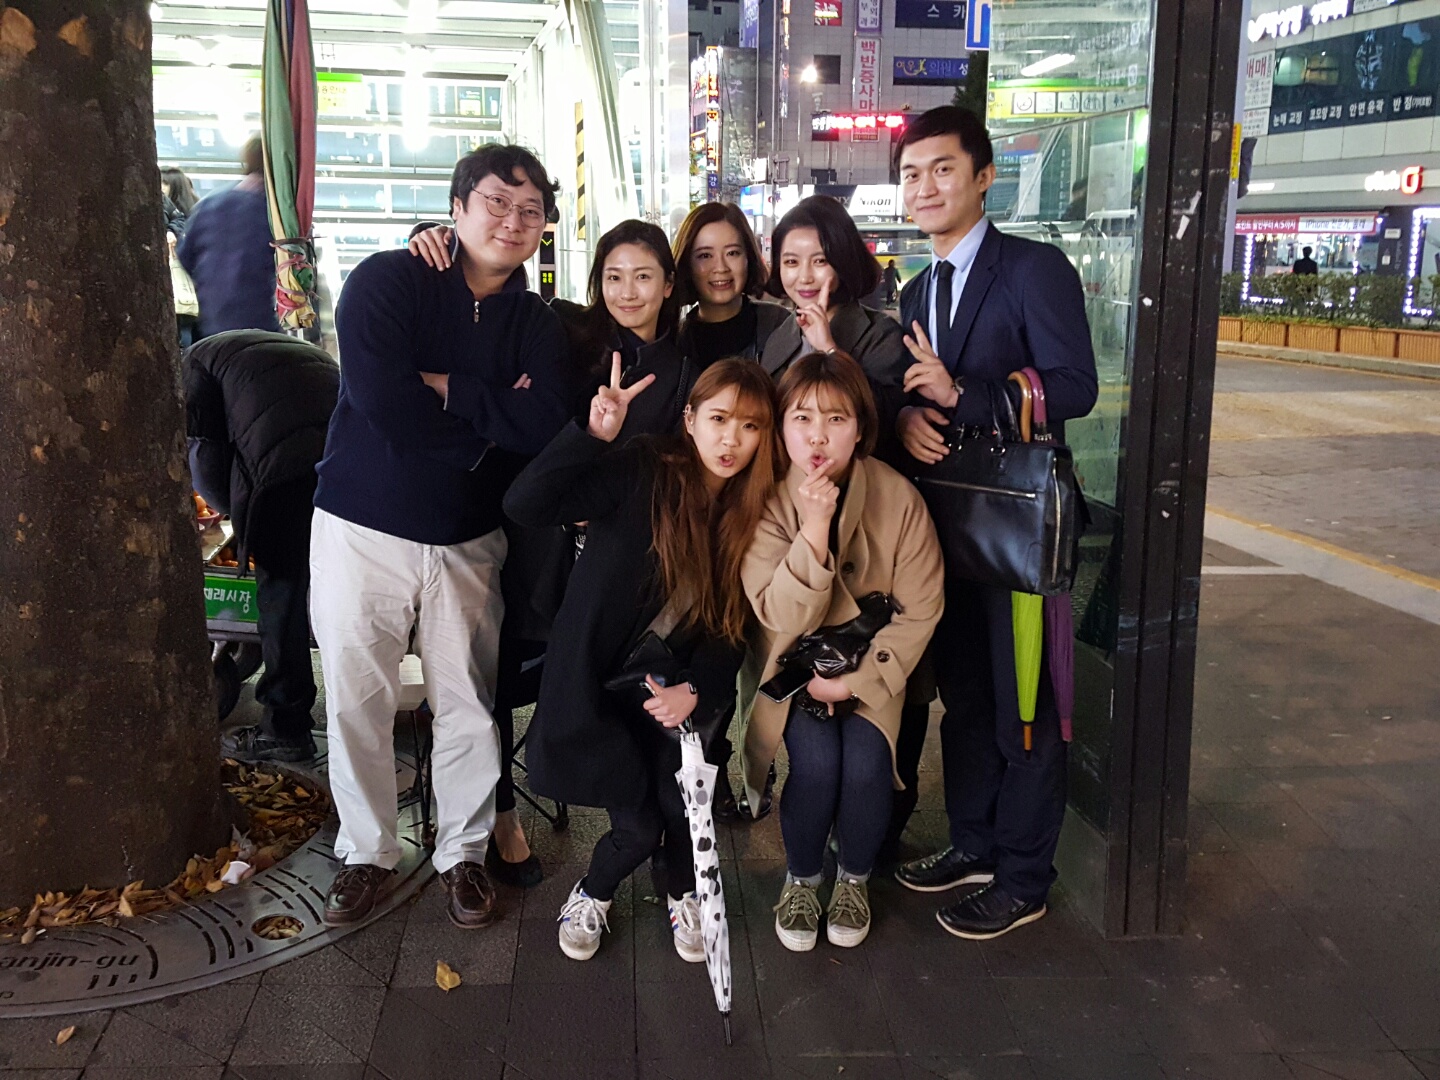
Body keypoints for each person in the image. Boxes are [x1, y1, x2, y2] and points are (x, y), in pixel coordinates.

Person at [309, 144, 571, 930]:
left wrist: (451, 388)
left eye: (530, 210)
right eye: (496, 201)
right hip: (361, 527)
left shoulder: (536, 322)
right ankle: (366, 851)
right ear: (457, 208)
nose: (512, 220)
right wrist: (488, 426)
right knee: (358, 699)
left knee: (468, 703)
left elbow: (542, 421)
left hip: (468, 538)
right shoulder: (389, 281)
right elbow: (382, 399)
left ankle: (463, 854)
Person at [891, 106, 1098, 939]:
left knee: (1027, 708)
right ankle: (974, 843)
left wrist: (965, 396)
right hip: (946, 533)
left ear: (983, 178)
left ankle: (1023, 877)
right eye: (911, 174)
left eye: (942, 169)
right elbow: (916, 394)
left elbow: (1074, 385)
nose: (925, 186)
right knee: (968, 701)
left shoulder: (1032, 269)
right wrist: (911, 414)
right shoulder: (915, 290)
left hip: (1020, 534)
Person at [503, 360, 781, 963]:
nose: (731, 439)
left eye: (750, 426)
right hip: (595, 685)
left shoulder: (755, 513)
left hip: (668, 691)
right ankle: (594, 891)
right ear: (690, 419)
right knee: (638, 827)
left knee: (684, 808)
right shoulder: (643, 469)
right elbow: (525, 503)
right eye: (718, 419)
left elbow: (734, 623)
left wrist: (696, 689)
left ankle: (682, 890)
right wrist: (592, 435)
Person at [743, 351, 943, 951]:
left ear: (860, 428)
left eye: (836, 419)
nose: (818, 436)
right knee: (817, 764)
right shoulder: (767, 498)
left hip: (873, 667)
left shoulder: (898, 497)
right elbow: (778, 613)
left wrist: (854, 683)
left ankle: (853, 879)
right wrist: (812, 529)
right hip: (793, 669)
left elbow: (922, 607)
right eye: (802, 418)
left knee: (865, 763)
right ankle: (802, 880)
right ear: (781, 427)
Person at [185, 331, 339, 763]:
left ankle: (286, 729)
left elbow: (206, 462)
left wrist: (234, 519)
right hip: (344, 467)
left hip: (284, 473)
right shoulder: (256, 348)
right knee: (331, 587)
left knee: (280, 597)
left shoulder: (189, 369)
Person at [760, 195, 909, 448]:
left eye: (820, 261)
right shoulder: (780, 336)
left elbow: (883, 423)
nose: (805, 277)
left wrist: (829, 350)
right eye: (791, 262)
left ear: (843, 263)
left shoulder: (881, 335)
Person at [178, 136, 281, 337]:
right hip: (261, 320)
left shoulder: (210, 203)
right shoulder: (275, 211)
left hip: (214, 320)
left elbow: (185, 255)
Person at [673, 201, 790, 370]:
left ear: (748, 257)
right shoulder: (673, 344)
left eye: (732, 253)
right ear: (686, 264)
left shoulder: (781, 327)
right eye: (705, 255)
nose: (721, 268)